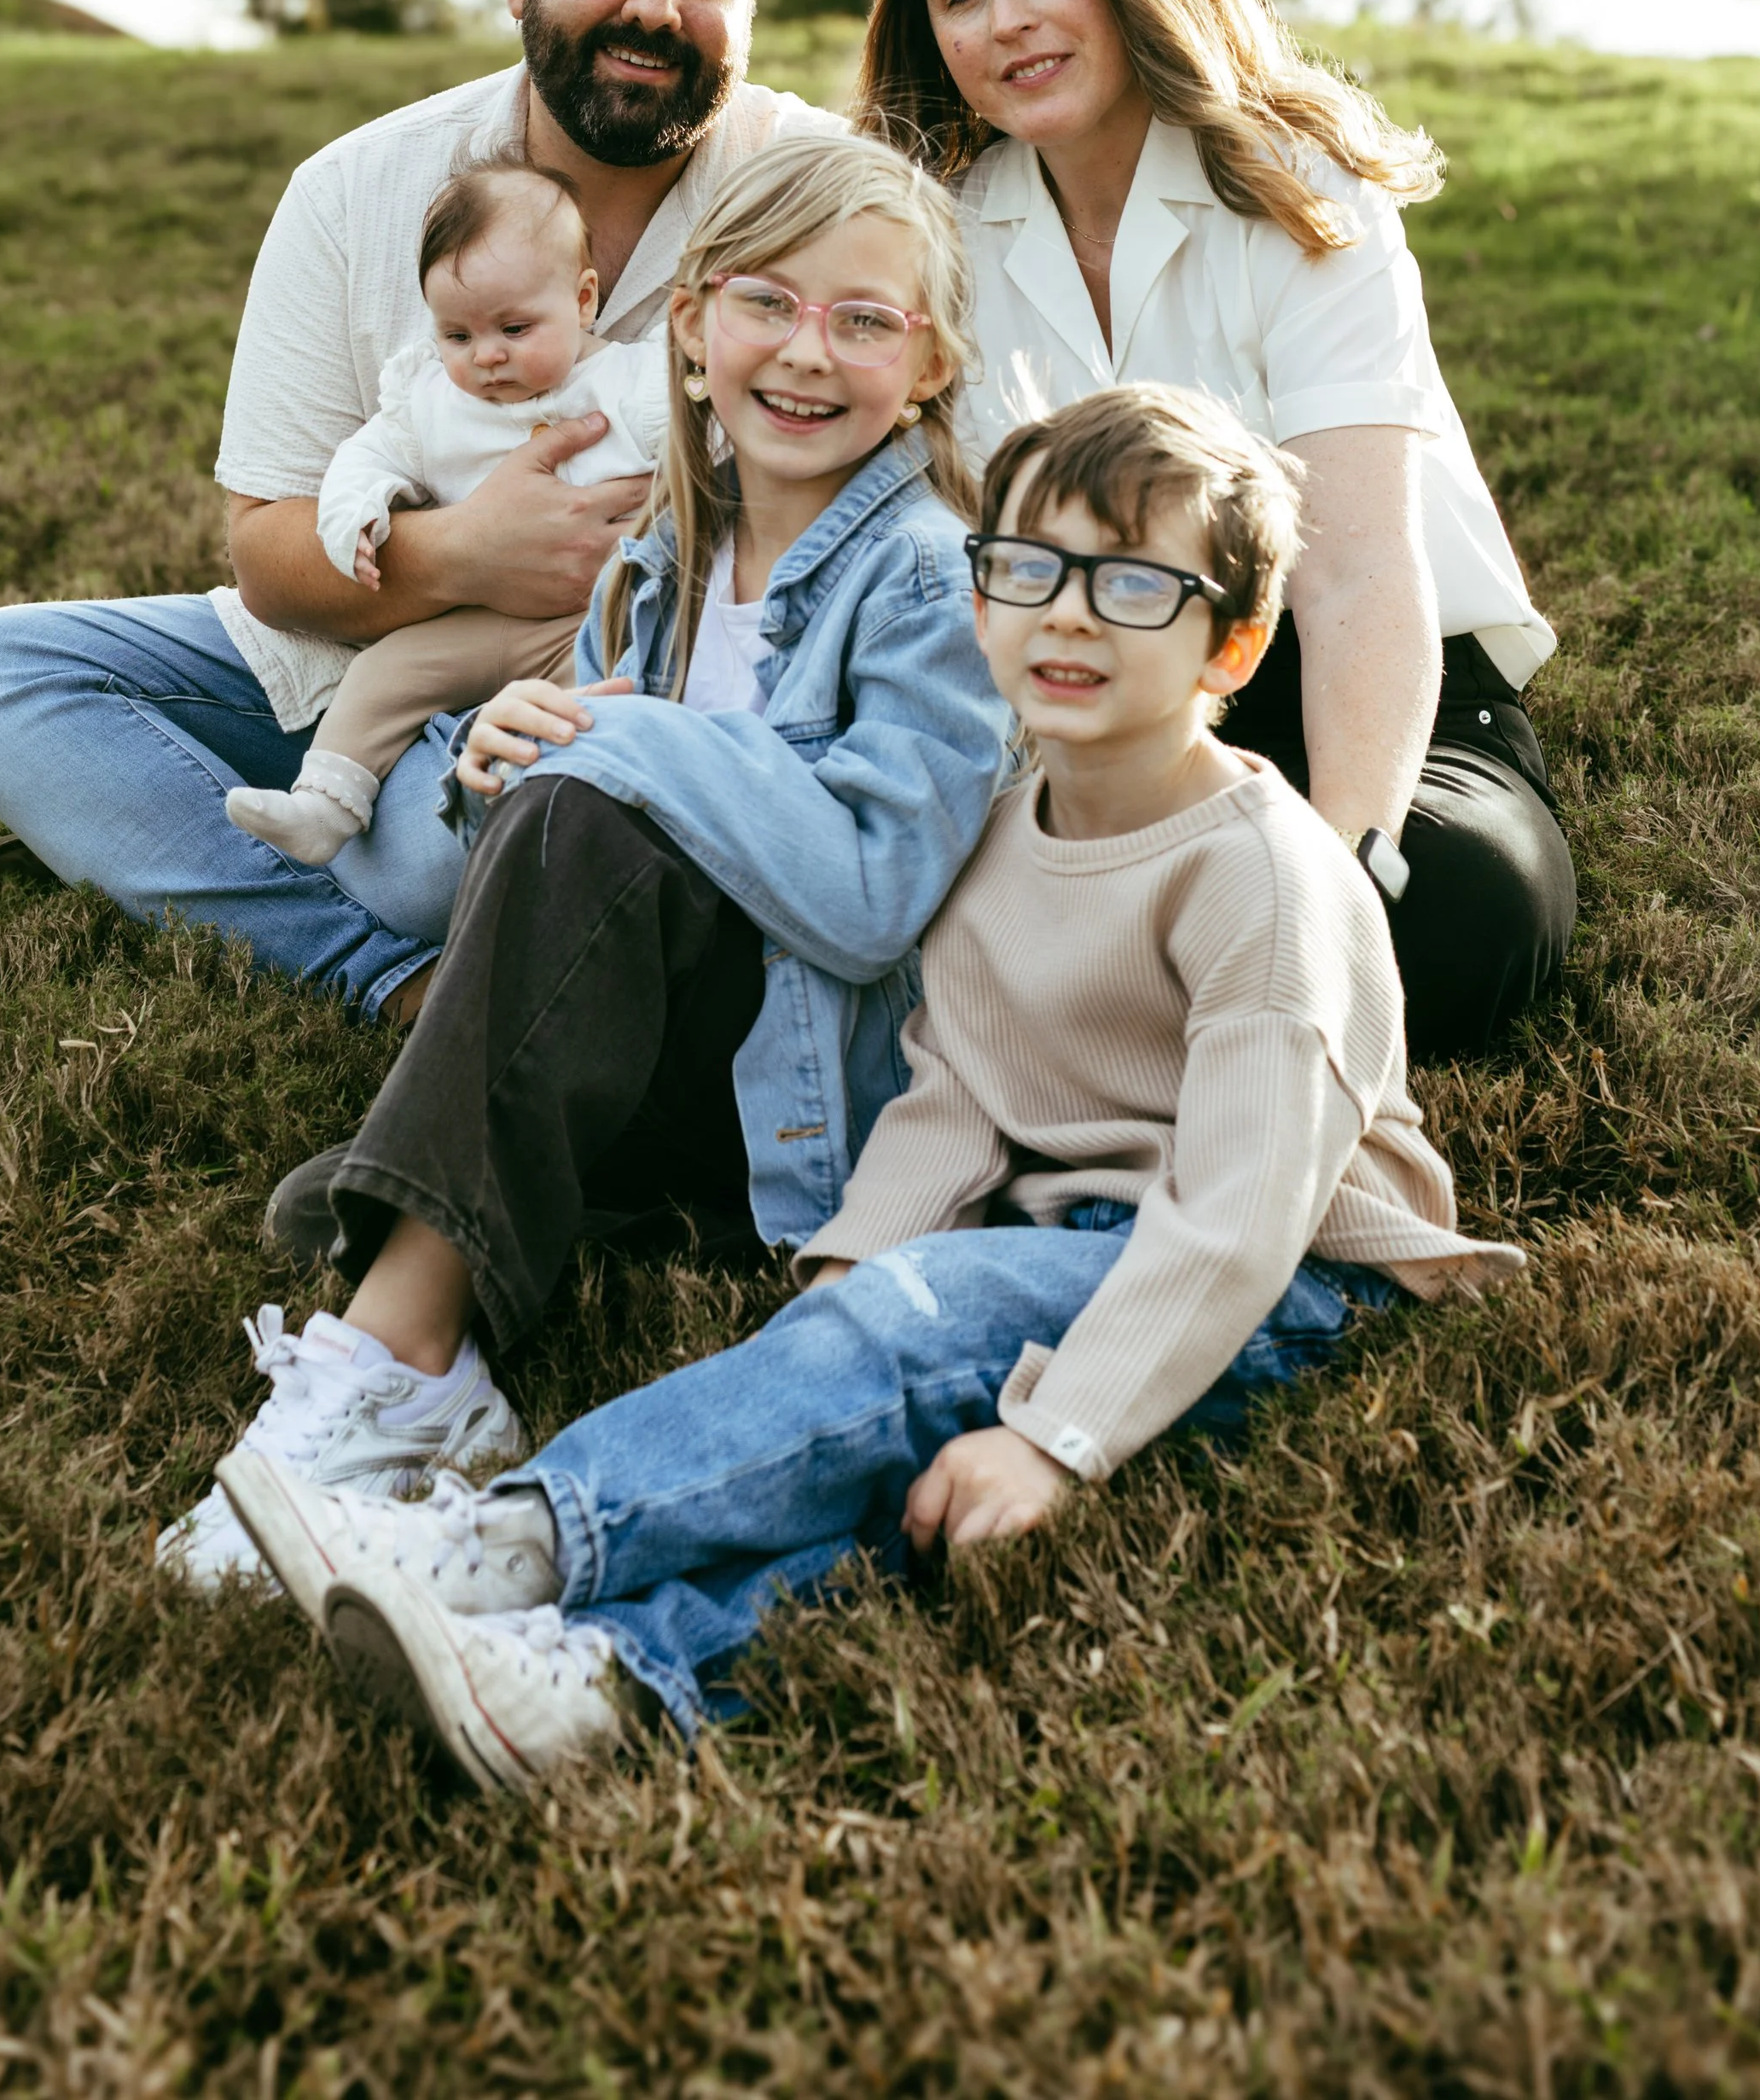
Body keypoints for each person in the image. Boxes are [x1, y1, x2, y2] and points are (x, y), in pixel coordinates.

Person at [204, 381, 1525, 1795]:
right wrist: (841, 1275)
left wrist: (1058, 1440)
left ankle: (507, 1542)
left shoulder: (1260, 874)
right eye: (1028, 570)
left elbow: (1246, 1212)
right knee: (887, 1453)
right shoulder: (1008, 831)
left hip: (1290, 1285)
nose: (1068, 617)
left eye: (1136, 586)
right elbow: (952, 1103)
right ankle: (599, 1682)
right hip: (1072, 1246)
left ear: (1235, 643)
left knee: (918, 1337)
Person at [157, 131, 1012, 1590]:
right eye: (766, 303)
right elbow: (576, 875)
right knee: (554, 810)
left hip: (815, 1101)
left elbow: (872, 898)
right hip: (677, 1051)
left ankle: (411, 1356)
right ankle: (448, 1246)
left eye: (866, 319)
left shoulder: (930, 574)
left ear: (929, 365)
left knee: (588, 804)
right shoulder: (660, 553)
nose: (809, 354)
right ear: (688, 331)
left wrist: (617, 756)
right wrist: (499, 764)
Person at [0, 0, 837, 1024]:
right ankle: (387, 980)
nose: (655, 6)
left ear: (749, 3)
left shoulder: (821, 198)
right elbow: (266, 552)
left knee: (427, 860)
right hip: (354, 655)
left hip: (623, 693)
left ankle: (198, 847)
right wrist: (469, 551)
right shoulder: (359, 189)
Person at [856, 0, 1575, 1061]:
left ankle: (1180, 982)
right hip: (1122, 700)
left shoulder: (1295, 183)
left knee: (1460, 910)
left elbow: (1356, 572)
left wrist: (1344, 874)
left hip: (1376, 684)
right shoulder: (944, 229)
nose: (1006, 16)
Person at [224, 155, 666, 867]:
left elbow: (707, 433)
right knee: (385, 674)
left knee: (590, 706)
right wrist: (357, 523)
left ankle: (531, 815)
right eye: (457, 336)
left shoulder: (629, 385)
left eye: (515, 329)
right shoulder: (431, 403)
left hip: (592, 626)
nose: (486, 357)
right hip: (471, 618)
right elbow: (365, 462)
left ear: (583, 301)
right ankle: (327, 803)